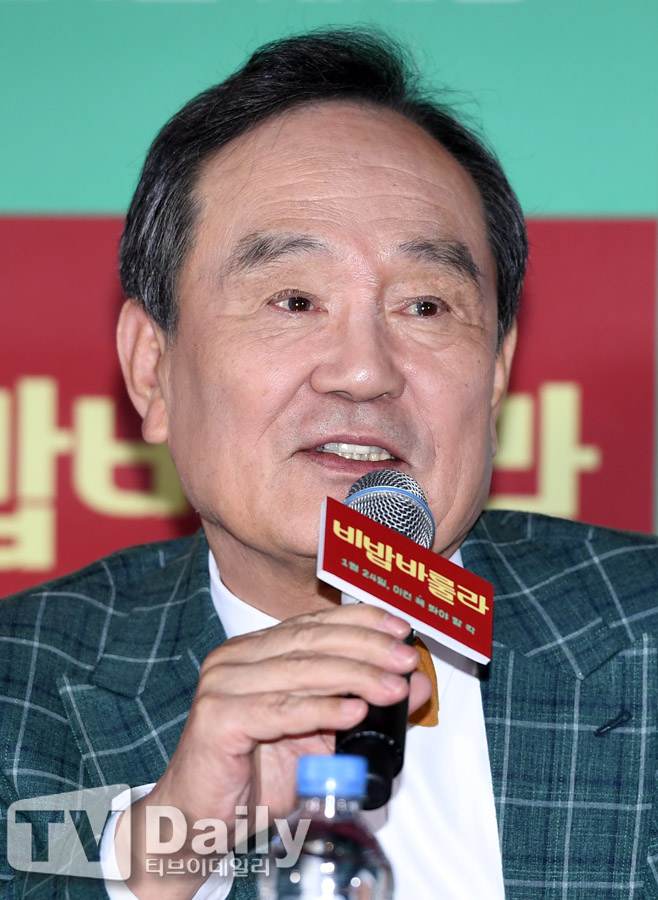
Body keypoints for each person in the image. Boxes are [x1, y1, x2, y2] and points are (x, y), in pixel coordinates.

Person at [1, 27, 657, 900]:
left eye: (426, 306)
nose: (363, 371)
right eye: (295, 299)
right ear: (152, 369)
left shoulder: (644, 633)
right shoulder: (23, 681)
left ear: (497, 374)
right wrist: (169, 845)